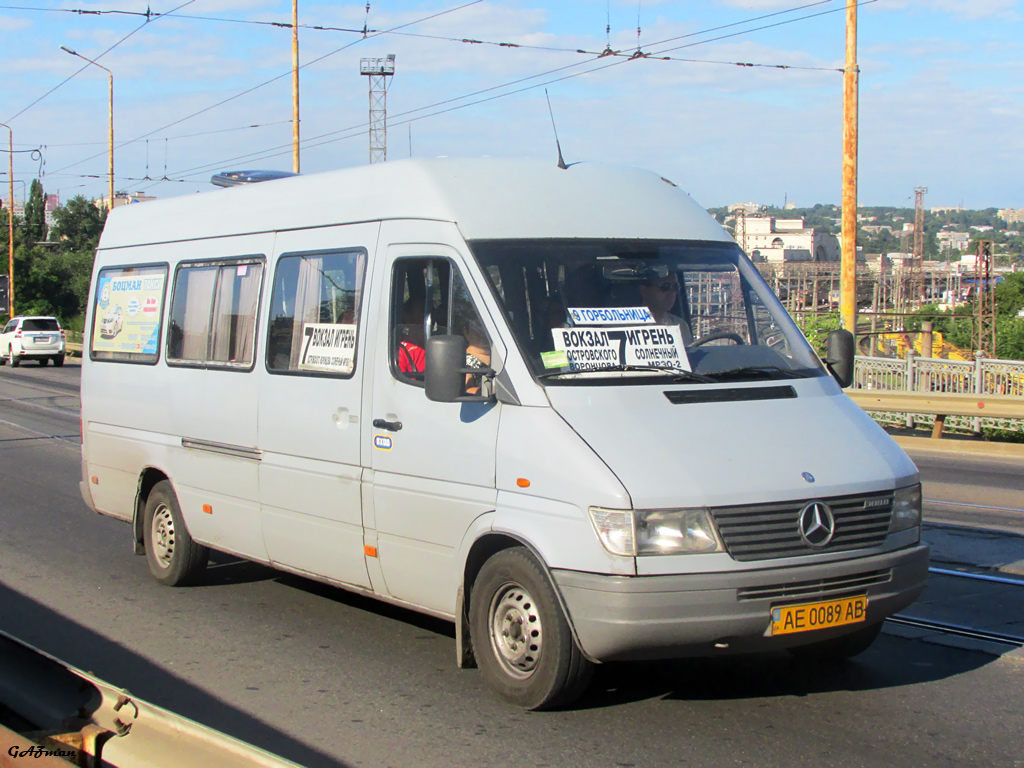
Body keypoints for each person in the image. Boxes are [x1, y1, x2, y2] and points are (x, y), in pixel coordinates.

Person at [637, 272, 693, 345]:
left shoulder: (680, 325)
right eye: (665, 286)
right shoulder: (625, 324)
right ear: (644, 290)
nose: (672, 291)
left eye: (676, 287)